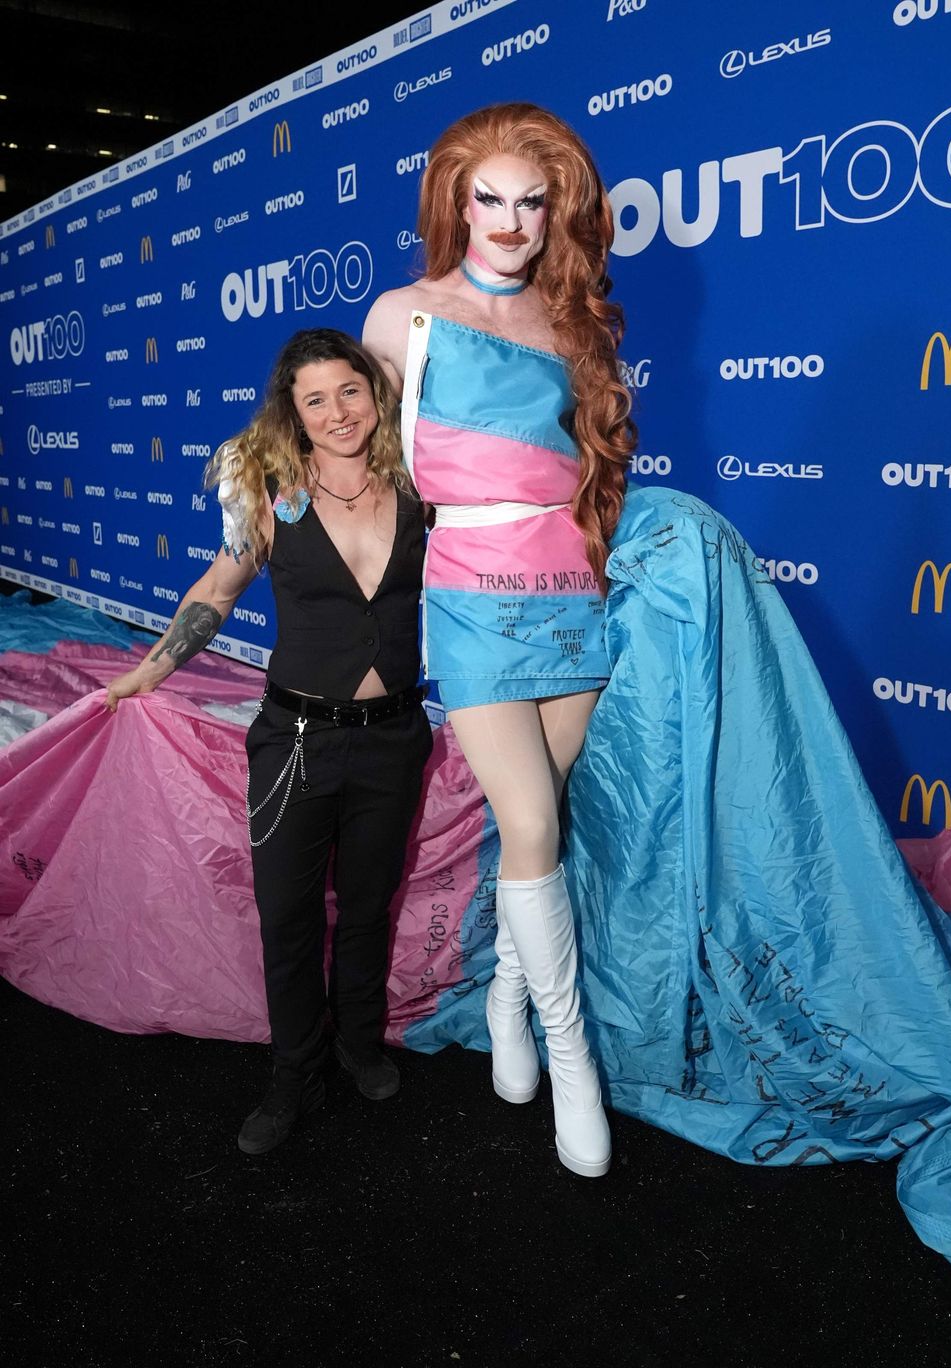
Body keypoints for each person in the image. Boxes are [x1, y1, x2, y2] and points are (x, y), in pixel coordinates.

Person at [364, 103, 635, 1178]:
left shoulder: (573, 326)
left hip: (570, 590)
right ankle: (572, 1060)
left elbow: (590, 470)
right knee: (526, 819)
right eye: (490, 199)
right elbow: (359, 467)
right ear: (455, 202)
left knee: (545, 819)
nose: (511, 222)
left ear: (555, 211)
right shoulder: (403, 316)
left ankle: (507, 995)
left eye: (533, 202)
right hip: (469, 590)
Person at [106, 329, 432, 1154]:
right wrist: (150, 670)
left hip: (394, 739)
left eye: (349, 390)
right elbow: (218, 590)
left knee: (367, 908)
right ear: (293, 412)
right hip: (295, 743)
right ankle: (295, 1074)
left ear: (375, 392)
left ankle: (359, 1044)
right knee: (289, 917)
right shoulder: (268, 493)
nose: (337, 412)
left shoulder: (419, 481)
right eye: (315, 399)